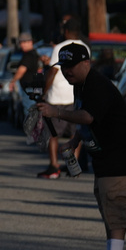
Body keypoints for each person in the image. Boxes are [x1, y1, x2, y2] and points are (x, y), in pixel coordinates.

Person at [36, 42, 126, 250]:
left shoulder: (96, 84)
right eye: (63, 66)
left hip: (125, 152)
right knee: (107, 203)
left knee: (116, 203)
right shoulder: (80, 84)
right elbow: (89, 116)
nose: (67, 71)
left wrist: (55, 112)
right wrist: (76, 139)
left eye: (72, 66)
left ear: (86, 63)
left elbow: (87, 116)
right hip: (109, 153)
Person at [39, 17, 88, 179]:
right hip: (75, 97)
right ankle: (72, 166)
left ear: (66, 31)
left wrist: (43, 92)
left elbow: (53, 72)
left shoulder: (60, 48)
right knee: (75, 134)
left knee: (53, 133)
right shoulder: (85, 48)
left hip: (57, 97)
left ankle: (54, 166)